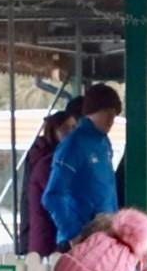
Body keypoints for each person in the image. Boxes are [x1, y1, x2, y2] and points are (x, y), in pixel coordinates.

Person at [40, 82, 122, 249]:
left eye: (114, 115)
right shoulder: (73, 144)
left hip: (106, 236)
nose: (111, 120)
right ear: (93, 111)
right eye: (108, 113)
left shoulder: (104, 143)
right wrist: (74, 233)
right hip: (81, 239)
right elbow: (52, 196)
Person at [20, 100, 79, 257]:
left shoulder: (52, 159)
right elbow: (58, 196)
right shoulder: (47, 164)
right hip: (48, 238)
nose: (73, 134)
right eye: (67, 129)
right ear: (54, 133)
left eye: (75, 128)